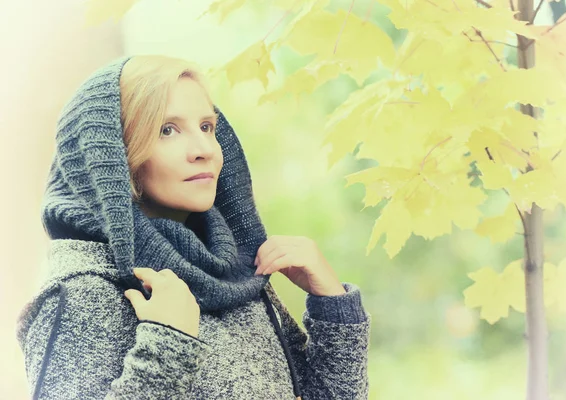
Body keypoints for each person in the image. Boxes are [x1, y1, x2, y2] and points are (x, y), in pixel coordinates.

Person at [15, 54, 371, 400]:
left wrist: (332, 306)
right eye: (167, 130)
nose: (204, 149)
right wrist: (167, 346)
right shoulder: (82, 292)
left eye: (206, 127)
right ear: (109, 156)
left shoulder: (231, 273)